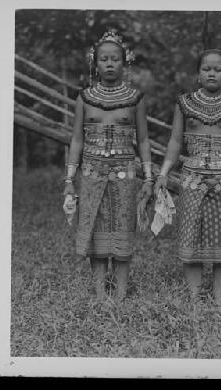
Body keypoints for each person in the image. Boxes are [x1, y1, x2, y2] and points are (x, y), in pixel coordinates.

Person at [154, 49, 221, 304]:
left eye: (218, 69)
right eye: (206, 68)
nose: (212, 73)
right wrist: (163, 173)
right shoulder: (184, 104)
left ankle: (220, 300)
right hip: (191, 180)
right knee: (192, 237)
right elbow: (176, 141)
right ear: (199, 74)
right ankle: (194, 297)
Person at [64, 30, 153, 301]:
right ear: (96, 63)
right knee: (95, 231)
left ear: (124, 63)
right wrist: (69, 178)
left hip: (125, 173)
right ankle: (102, 294)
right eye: (104, 59)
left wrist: (148, 177)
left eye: (115, 59)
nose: (110, 64)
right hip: (91, 173)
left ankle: (122, 292)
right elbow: (77, 139)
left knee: (124, 227)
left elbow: (144, 140)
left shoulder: (135, 99)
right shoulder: (85, 98)